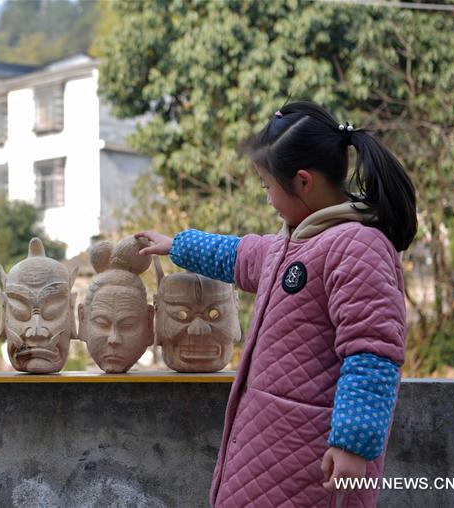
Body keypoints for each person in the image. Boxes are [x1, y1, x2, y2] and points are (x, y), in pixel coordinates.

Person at [135, 101, 416, 507]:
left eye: (268, 187)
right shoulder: (296, 242)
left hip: (317, 460)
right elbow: (238, 255)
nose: (267, 199)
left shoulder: (358, 248)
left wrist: (353, 446)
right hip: (269, 447)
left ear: (303, 182)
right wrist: (176, 244)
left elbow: (371, 353)